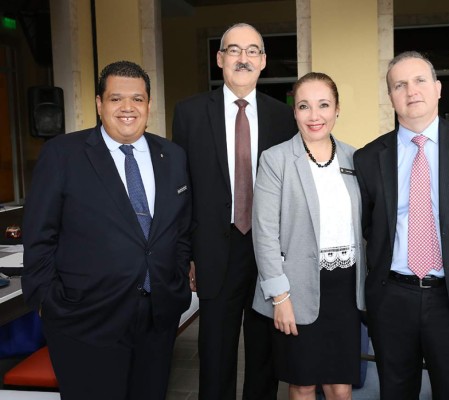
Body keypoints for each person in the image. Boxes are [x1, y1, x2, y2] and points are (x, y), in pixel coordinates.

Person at [22, 61, 192, 400]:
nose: (127, 108)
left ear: (148, 104)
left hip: (157, 318)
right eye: (116, 99)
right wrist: (47, 302)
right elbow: (39, 235)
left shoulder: (172, 155)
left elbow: (181, 228)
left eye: (137, 99)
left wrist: (175, 277)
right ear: (99, 104)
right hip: (85, 319)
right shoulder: (63, 155)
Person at [353, 51, 449, 399]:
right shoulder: (368, 158)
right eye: (399, 84)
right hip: (393, 299)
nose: (411, 91)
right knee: (395, 391)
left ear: (438, 88)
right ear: (391, 96)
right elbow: (369, 227)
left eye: (420, 80)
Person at [172, 22, 297, 399]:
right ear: (219, 58)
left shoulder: (282, 116)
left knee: (264, 356)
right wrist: (188, 254)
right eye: (234, 50)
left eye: (252, 51)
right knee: (215, 354)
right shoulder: (190, 113)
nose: (243, 58)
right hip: (213, 251)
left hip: (267, 254)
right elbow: (183, 191)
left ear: (263, 61)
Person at [252, 72, 366, 400]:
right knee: (302, 385)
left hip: (345, 290)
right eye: (304, 106)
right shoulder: (275, 160)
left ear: (337, 109)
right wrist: (280, 298)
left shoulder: (355, 158)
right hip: (295, 290)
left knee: (340, 386)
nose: (314, 116)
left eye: (323, 105)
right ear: (294, 112)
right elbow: (264, 233)